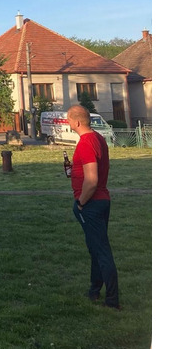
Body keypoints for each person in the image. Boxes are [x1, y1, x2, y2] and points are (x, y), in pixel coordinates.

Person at [67, 104, 120, 310]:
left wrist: (81, 203)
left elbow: (92, 179)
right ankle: (94, 290)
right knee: (95, 249)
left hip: (92, 203)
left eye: (69, 120)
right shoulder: (97, 138)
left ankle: (112, 300)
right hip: (101, 200)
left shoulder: (86, 143)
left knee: (102, 251)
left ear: (77, 122)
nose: (68, 123)